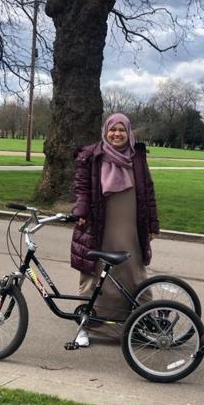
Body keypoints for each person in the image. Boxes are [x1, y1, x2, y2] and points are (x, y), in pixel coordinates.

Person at [70, 113, 160, 346]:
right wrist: (80, 211)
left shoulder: (137, 157)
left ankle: (139, 324)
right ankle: (87, 325)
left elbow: (148, 191)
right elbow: (82, 187)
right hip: (100, 224)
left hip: (131, 224)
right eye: (113, 130)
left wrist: (152, 224)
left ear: (128, 132)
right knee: (94, 274)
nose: (117, 134)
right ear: (105, 131)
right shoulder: (92, 155)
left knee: (133, 273)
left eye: (122, 130)